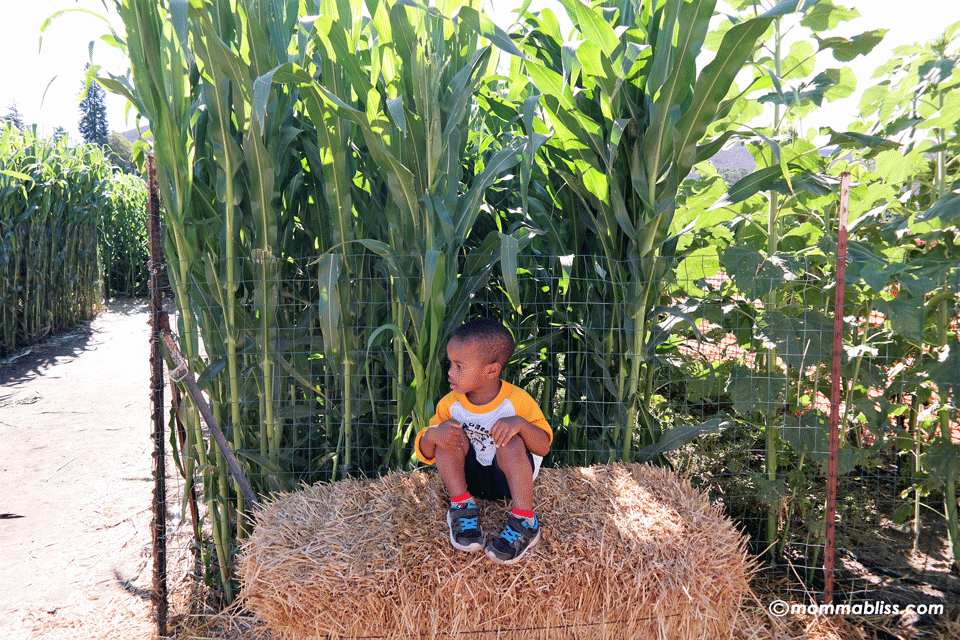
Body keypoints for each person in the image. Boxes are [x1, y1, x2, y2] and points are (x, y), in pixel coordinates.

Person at [414, 318, 552, 564]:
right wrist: (433, 434)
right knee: (447, 434)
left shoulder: (517, 401)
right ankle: (461, 507)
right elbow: (426, 452)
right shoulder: (450, 404)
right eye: (450, 364)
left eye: (459, 366)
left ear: (491, 370)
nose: (450, 372)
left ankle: (525, 521)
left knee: (510, 443)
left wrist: (520, 424)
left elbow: (543, 446)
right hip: (470, 481)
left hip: (509, 481)